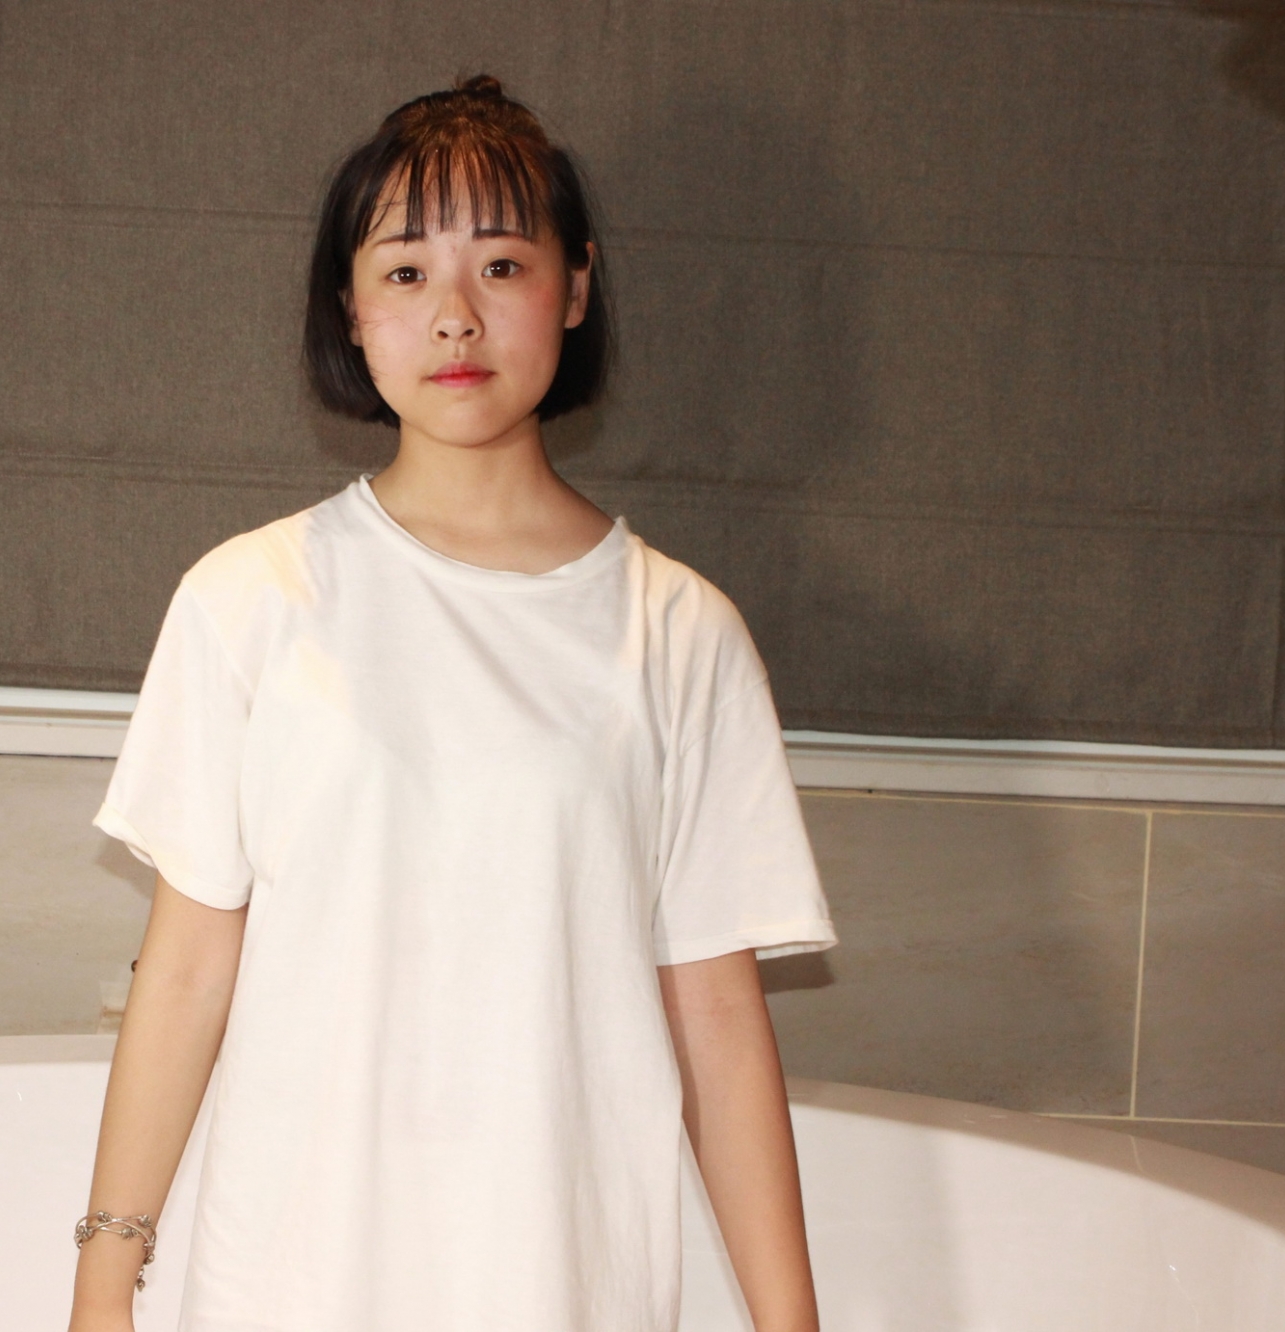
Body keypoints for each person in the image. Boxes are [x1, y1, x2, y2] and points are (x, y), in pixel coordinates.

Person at [66, 74, 835, 1332]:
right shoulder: (249, 597)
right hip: (291, 1282)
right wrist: (104, 1282)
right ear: (351, 310)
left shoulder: (678, 634)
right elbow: (190, 969)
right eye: (406, 271)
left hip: (557, 1282)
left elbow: (713, 1018)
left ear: (574, 290)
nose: (455, 316)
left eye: (503, 265)